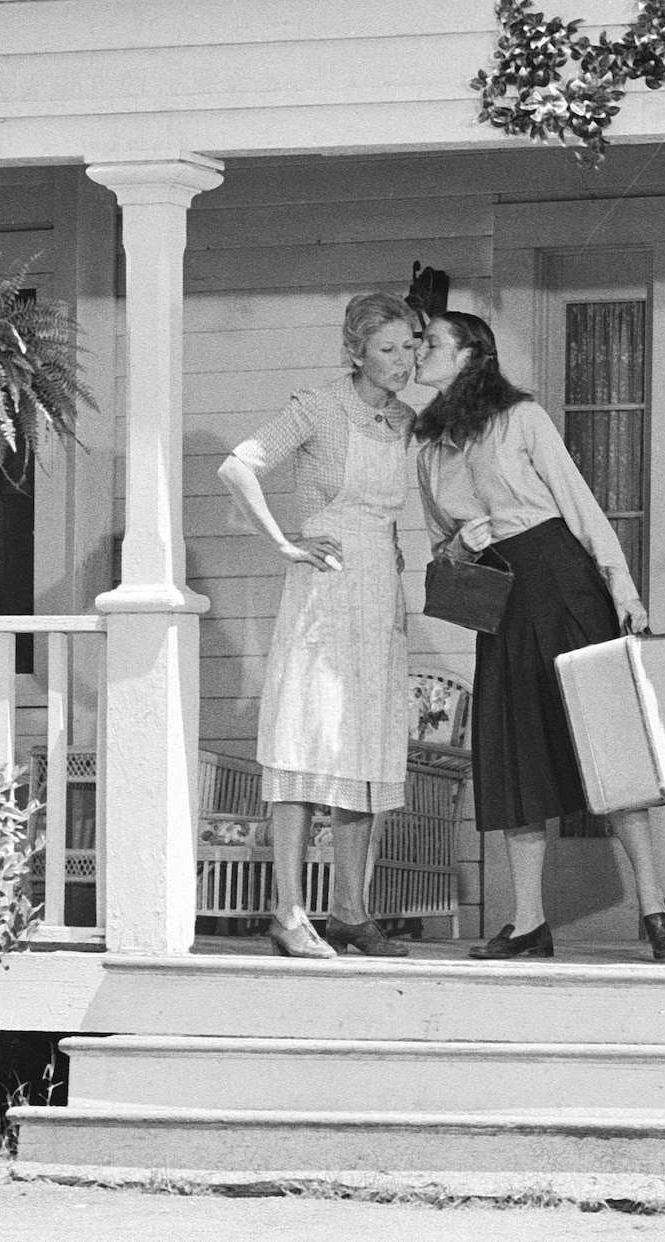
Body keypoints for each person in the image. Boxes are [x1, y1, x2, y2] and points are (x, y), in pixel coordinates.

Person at [412, 311, 665, 961]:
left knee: (604, 750)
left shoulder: (522, 419)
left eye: (433, 342)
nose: (420, 350)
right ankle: (529, 921)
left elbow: (582, 508)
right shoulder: (429, 447)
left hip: (560, 583)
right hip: (499, 600)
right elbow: (437, 543)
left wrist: (626, 593)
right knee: (517, 761)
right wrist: (459, 543)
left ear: (472, 354)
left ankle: (653, 903)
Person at [217, 292, 419, 959]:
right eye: (387, 348)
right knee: (308, 744)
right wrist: (282, 540)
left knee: (365, 751)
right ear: (356, 351)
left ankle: (351, 912)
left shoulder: (405, 421)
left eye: (410, 346)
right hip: (325, 591)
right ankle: (288, 912)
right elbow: (238, 464)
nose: (401, 360)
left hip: (380, 594)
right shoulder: (321, 407)